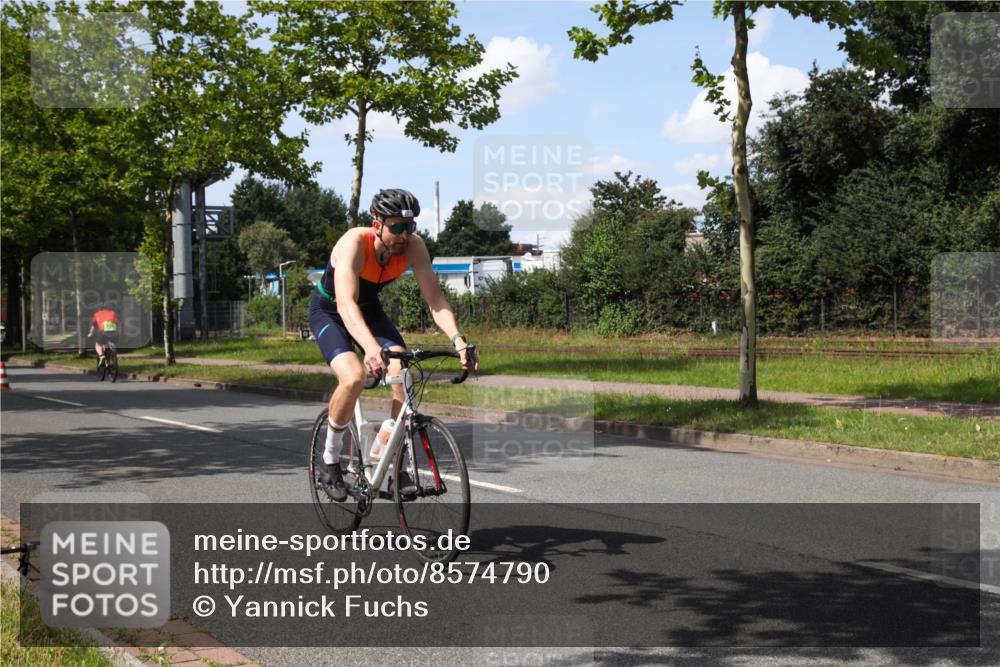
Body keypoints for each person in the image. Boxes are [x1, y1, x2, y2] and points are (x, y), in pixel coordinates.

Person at [309, 188, 477, 501]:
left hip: (369, 311)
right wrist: (371, 348)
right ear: (377, 224)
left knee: (402, 371)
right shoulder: (353, 243)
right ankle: (329, 461)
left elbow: (435, 300)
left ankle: (390, 457)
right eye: (397, 227)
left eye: (409, 226)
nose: (404, 235)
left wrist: (457, 338)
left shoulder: (414, 247)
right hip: (331, 310)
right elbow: (346, 305)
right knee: (353, 377)